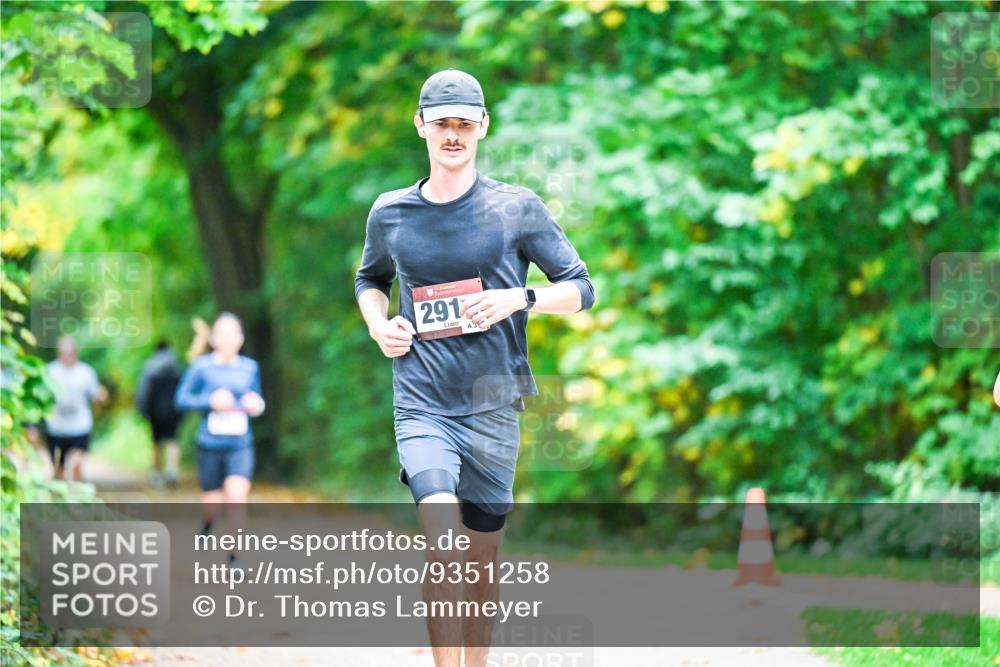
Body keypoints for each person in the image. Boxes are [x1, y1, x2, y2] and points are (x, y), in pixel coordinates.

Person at [354, 68, 596, 667]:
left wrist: (521, 297)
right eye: (442, 124)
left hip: (493, 403)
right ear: (421, 127)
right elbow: (370, 279)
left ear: (483, 127)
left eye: (464, 124)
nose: (453, 135)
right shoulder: (390, 213)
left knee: (483, 558)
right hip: (422, 400)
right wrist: (379, 324)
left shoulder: (516, 208)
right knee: (442, 542)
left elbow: (583, 288)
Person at [174, 313, 265, 561]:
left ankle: (235, 557)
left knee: (237, 496)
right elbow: (180, 399)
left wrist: (256, 404)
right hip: (209, 444)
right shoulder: (201, 367)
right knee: (212, 505)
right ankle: (207, 523)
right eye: (223, 334)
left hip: (240, 443)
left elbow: (256, 399)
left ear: (240, 338)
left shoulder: (249, 367)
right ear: (213, 339)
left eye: (233, 333)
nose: (228, 339)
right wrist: (209, 401)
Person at [43, 335, 108, 481]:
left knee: (76, 465)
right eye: (63, 352)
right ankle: (60, 501)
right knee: (58, 471)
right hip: (56, 428)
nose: (67, 355)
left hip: (80, 427)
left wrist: (101, 396)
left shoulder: (86, 372)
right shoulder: (49, 371)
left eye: (70, 352)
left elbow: (96, 394)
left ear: (76, 352)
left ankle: (78, 499)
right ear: (58, 353)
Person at [136, 340, 184, 487]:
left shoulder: (150, 366)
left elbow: (143, 391)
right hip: (174, 410)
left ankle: (157, 473)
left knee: (156, 442)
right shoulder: (177, 366)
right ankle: (172, 470)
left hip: (155, 412)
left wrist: (143, 410)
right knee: (173, 440)